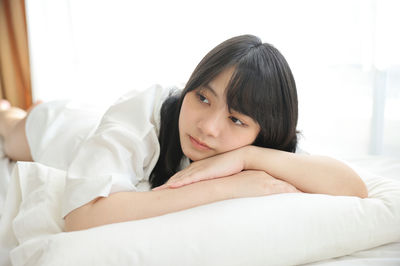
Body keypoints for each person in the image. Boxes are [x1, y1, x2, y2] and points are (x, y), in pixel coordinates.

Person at [0, 35, 368, 232]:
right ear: (189, 87)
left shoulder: (259, 147)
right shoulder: (147, 111)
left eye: (236, 119)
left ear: (263, 132)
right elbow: (82, 216)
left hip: (102, 132)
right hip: (61, 130)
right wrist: (224, 186)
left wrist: (248, 158)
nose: (208, 126)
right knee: (11, 126)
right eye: (203, 97)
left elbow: (354, 188)